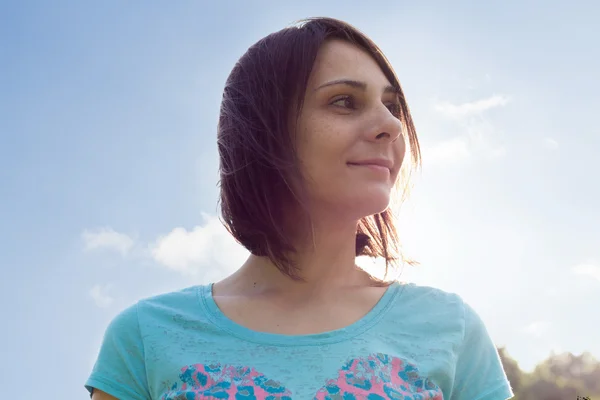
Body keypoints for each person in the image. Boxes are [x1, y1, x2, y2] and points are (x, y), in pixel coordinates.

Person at [86, 17, 514, 400]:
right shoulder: (145, 336)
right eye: (344, 101)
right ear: (264, 128)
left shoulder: (451, 328)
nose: (391, 124)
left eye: (393, 105)